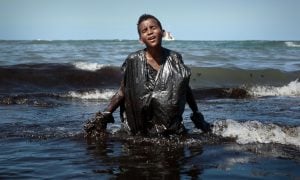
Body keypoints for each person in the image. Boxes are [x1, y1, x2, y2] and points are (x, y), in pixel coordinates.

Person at [84, 14, 211, 137]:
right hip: (141, 130)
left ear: (162, 32)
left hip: (170, 130)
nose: (149, 32)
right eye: (144, 30)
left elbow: (184, 88)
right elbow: (123, 91)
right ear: (141, 39)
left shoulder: (175, 58)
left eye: (153, 28)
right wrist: (106, 114)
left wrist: (196, 112)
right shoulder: (133, 60)